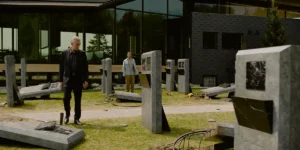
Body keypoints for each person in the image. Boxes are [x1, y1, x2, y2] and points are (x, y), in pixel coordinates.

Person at [59, 36, 88, 125]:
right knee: (66, 98)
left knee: (78, 100)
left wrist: (86, 80)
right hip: (68, 79)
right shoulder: (64, 53)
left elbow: (85, 68)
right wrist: (60, 80)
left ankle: (77, 119)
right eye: (77, 44)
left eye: (79, 44)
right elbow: (61, 67)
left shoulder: (82, 54)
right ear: (72, 44)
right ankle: (67, 115)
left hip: (78, 80)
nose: (78, 46)